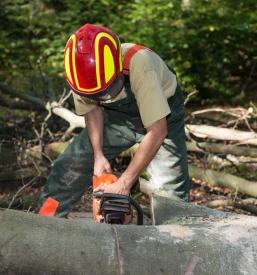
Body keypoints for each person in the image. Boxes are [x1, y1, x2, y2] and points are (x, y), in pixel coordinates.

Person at [36, 24, 189, 217]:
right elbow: (92, 112)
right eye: (96, 95)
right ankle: (45, 221)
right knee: (69, 166)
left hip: (163, 116)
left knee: (171, 193)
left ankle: (176, 237)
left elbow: (157, 131)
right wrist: (98, 155)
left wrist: (124, 183)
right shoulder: (80, 74)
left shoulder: (140, 64)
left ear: (117, 69)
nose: (102, 97)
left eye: (105, 91)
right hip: (115, 118)